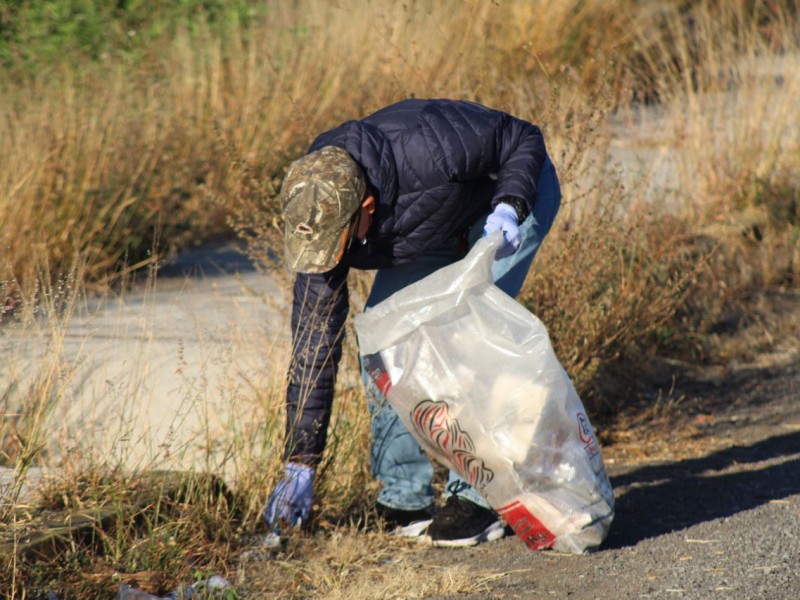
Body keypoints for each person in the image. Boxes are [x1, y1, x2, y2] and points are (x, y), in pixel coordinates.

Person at [263, 98, 561, 547]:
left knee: (466, 338)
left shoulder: (428, 145)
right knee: (382, 341)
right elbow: (313, 345)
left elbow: (523, 136)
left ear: (364, 207)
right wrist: (300, 460)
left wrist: (509, 205)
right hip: (432, 226)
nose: (332, 260)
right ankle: (404, 497)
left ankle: (479, 498)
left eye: (339, 245)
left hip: (508, 206)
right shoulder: (316, 204)